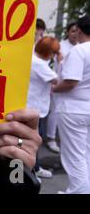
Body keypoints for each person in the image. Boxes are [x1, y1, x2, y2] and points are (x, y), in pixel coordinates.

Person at [53, 14, 90, 194]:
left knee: (74, 157)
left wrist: (53, 89)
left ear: (80, 31)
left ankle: (79, 191)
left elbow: (71, 82)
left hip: (74, 110)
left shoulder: (79, 50)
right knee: (87, 154)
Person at [26, 36, 59, 181]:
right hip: (34, 109)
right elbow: (57, 80)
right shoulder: (39, 64)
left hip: (30, 106)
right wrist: (60, 61)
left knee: (29, 141)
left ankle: (33, 168)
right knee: (30, 142)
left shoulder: (32, 56)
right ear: (49, 53)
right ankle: (29, 172)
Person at [47, 22, 79, 153]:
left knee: (69, 111)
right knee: (55, 111)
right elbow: (60, 63)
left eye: (77, 31)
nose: (75, 34)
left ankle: (63, 138)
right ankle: (51, 138)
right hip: (59, 82)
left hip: (75, 85)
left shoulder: (80, 47)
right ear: (67, 32)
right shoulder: (60, 46)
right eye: (72, 31)